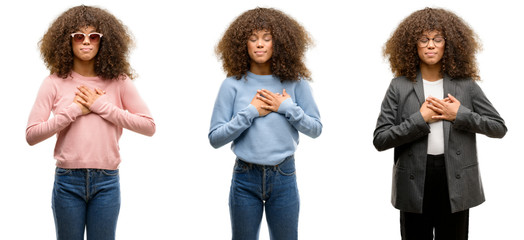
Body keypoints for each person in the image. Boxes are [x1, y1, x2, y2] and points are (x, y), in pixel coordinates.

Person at [373, 7, 507, 240]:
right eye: (423, 39)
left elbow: (498, 127)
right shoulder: (399, 86)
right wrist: (419, 120)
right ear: (412, 45)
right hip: (414, 182)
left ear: (449, 44)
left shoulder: (466, 85)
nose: (431, 45)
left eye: (437, 39)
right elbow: (380, 139)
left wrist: (460, 114)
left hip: (455, 179)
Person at [26, 5, 155, 240]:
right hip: (67, 182)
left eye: (93, 36)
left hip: (107, 182)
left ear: (103, 41)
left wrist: (102, 107)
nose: (86, 42)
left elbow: (148, 126)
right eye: (79, 36)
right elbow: (32, 135)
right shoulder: (53, 82)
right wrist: (74, 110)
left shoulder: (119, 81)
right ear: (68, 41)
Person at [209, 7, 322, 240]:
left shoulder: (295, 83)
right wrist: (250, 112)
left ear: (278, 43)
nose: (260, 44)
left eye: (267, 38)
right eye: (253, 39)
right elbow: (215, 138)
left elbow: (316, 128)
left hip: (284, 176)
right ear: (243, 45)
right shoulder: (231, 85)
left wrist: (287, 108)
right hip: (244, 177)